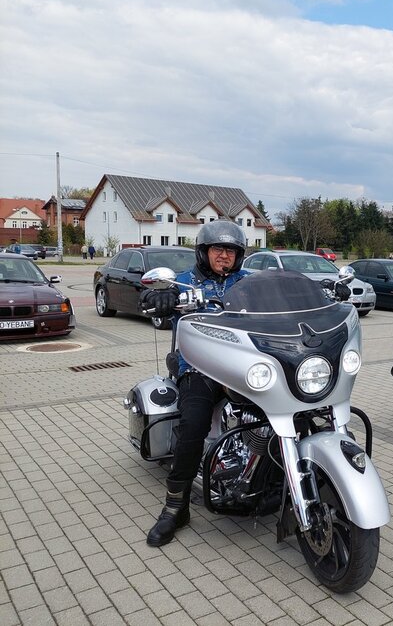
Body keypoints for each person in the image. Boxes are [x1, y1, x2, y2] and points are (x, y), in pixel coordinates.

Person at [139, 220, 250, 547]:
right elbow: (150, 297)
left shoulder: (249, 281)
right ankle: (176, 507)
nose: (224, 256)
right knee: (194, 424)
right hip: (200, 368)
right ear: (203, 252)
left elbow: (283, 293)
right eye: (218, 249)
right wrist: (156, 296)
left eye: (231, 250)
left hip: (247, 367)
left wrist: (324, 290)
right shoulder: (184, 283)